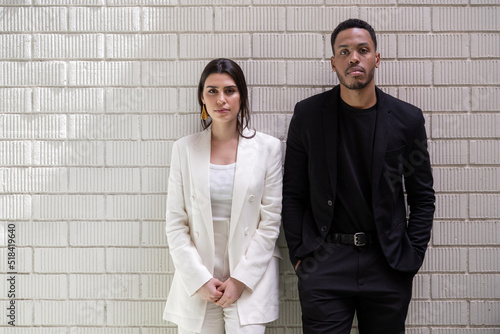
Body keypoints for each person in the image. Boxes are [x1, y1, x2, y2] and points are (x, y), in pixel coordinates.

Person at [282, 19, 435, 334]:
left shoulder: (407, 120)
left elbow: (422, 198)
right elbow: (293, 194)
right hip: (324, 263)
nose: (354, 58)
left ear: (376, 58)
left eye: (363, 50)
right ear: (334, 62)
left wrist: (412, 256)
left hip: (387, 264)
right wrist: (300, 257)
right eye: (345, 51)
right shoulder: (308, 116)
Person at [163, 58, 282, 334]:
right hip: (199, 280)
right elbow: (175, 223)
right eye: (212, 91)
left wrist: (241, 279)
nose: (221, 99)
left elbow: (270, 222)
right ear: (202, 98)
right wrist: (199, 279)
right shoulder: (184, 149)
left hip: (249, 280)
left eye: (229, 90)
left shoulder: (268, 149)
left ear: (242, 95)